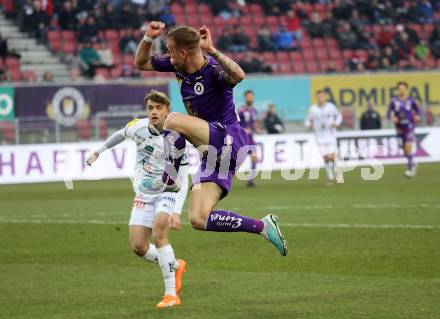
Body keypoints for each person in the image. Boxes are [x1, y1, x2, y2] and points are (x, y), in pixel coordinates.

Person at [134, 22, 287, 257]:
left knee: (172, 119)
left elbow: (238, 74)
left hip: (230, 138)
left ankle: (170, 178)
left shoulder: (212, 70)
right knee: (198, 218)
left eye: (171, 51)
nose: (168, 56)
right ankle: (263, 226)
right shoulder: (179, 65)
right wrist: (147, 37)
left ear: (183, 52)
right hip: (212, 153)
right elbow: (141, 63)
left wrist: (213, 50)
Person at [86, 90, 188, 308]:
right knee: (139, 246)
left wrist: (177, 210)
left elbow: (182, 177)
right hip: (144, 192)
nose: (153, 112)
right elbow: (120, 134)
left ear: (166, 111)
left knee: (160, 233)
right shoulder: (138, 127)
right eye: (150, 108)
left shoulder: (177, 138)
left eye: (158, 108)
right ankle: (175, 265)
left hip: (168, 190)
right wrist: (99, 151)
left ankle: (171, 295)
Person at [305, 90, 342, 185]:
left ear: (324, 97)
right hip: (319, 138)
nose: (320, 98)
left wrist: (335, 123)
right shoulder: (313, 109)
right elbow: (307, 121)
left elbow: (339, 116)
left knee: (332, 157)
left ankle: (333, 175)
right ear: (316, 97)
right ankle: (332, 175)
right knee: (326, 158)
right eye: (319, 97)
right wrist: (309, 125)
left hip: (331, 136)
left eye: (322, 96)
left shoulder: (331, 107)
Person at [387, 82, 420, 178]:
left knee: (408, 146)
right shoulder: (394, 101)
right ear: (398, 90)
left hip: (409, 127)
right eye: (400, 88)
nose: (401, 90)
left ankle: (410, 168)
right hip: (399, 128)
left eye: (403, 88)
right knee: (404, 150)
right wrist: (392, 118)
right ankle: (412, 162)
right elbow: (389, 112)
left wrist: (417, 116)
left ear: (406, 89)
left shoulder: (410, 100)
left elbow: (417, 109)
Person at [238, 90, 260, 187]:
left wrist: (257, 129)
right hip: (242, 138)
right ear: (245, 98)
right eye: (248, 96)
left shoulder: (254, 110)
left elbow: (254, 122)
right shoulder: (241, 110)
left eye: (251, 96)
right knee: (236, 160)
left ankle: (250, 180)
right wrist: (242, 130)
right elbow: (235, 123)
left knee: (254, 157)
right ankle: (223, 177)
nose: (250, 98)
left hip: (250, 138)